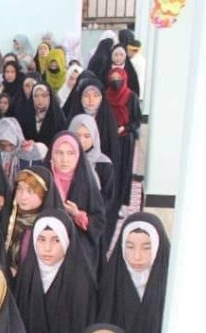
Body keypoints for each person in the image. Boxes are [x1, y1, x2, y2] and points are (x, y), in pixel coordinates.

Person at [13, 210, 97, 333]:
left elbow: (83, 331)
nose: (47, 248)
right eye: (41, 240)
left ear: (67, 241)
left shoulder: (82, 282)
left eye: (56, 240)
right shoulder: (26, 275)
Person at [98, 213, 170, 333]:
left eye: (146, 248)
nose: (137, 256)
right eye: (130, 247)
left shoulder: (172, 285)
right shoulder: (110, 282)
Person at [47, 132, 107, 276]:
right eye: (59, 153)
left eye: (71, 153)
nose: (65, 159)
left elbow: (99, 221)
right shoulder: (43, 180)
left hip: (79, 252)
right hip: (46, 248)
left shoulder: (87, 183)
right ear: (52, 155)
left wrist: (78, 215)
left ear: (78, 156)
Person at [69, 114, 117, 246]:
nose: (81, 140)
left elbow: (108, 196)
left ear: (94, 137)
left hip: (92, 224)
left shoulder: (104, 164)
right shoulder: (64, 161)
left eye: (87, 136)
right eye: (77, 135)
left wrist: (88, 216)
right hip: (67, 220)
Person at [105, 65, 142, 233]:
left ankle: (122, 203)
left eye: (119, 79)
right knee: (111, 170)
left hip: (125, 140)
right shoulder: (106, 96)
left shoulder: (131, 96)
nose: (116, 82)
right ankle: (110, 201)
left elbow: (136, 120)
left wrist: (125, 128)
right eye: (113, 79)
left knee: (124, 171)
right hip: (109, 140)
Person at [16, 82, 67, 147]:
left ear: (49, 97)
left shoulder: (58, 117)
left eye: (44, 96)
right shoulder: (24, 115)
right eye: (36, 96)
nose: (39, 99)